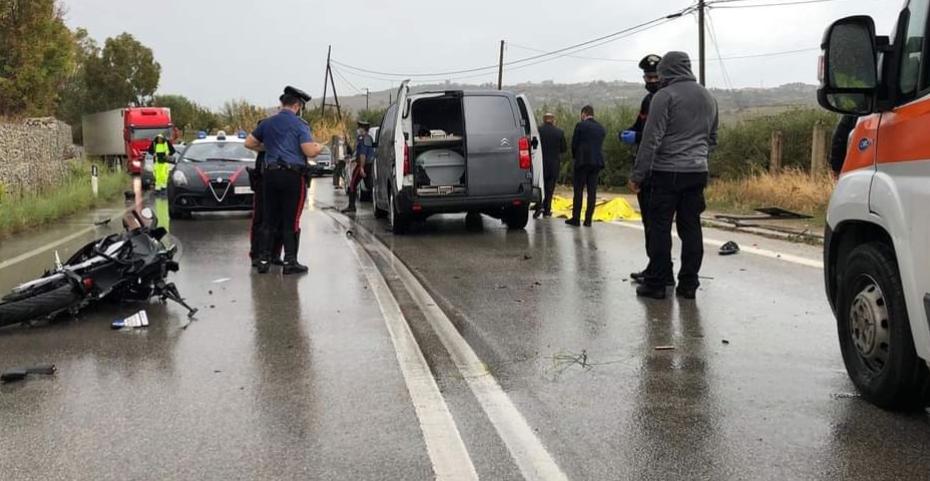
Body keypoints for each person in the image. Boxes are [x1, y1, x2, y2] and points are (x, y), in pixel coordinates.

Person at [629, 51, 718, 300]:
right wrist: (696, 157)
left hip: (666, 172)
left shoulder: (664, 96)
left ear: (667, 70)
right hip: (697, 172)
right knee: (691, 228)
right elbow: (712, 139)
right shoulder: (709, 97)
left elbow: (651, 139)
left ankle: (657, 283)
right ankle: (689, 284)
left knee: (659, 228)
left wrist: (638, 174)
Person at [244, 85, 322, 275]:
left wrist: (268, 148)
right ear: (297, 106)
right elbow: (309, 151)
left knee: (269, 219)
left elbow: (249, 143)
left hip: (270, 176)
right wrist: (318, 147)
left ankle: (263, 259)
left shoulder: (268, 123)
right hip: (291, 176)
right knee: (291, 220)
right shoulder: (299, 125)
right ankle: (290, 261)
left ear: (282, 103)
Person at [620, 54, 671, 285]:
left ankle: (659, 272)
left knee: (655, 224)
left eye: (653, 76)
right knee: (650, 224)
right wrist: (627, 133)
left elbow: (659, 135)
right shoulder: (647, 101)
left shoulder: (662, 99)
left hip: (655, 168)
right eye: (646, 76)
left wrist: (637, 137)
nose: (649, 80)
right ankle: (658, 268)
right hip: (648, 165)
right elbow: (641, 125)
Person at [246, 119, 283, 267]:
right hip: (262, 182)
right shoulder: (263, 147)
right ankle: (256, 253)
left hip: (277, 181)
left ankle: (275, 254)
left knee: (279, 219)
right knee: (260, 219)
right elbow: (250, 143)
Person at [566, 105, 606, 227]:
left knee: (578, 191)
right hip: (596, 163)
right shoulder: (601, 128)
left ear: (584, 113)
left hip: (582, 162)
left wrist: (576, 156)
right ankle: (588, 220)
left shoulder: (580, 126)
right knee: (592, 191)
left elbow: (574, 144)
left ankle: (576, 218)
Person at [535, 113, 567, 218]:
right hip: (554, 164)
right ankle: (547, 209)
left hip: (541, 163)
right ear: (553, 120)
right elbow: (564, 149)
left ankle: (539, 206)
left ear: (544, 120)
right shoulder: (559, 132)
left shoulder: (538, 131)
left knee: (541, 186)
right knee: (550, 187)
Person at [342, 120, 374, 214]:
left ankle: (351, 206)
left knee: (352, 184)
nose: (358, 129)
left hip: (363, 164)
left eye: (359, 127)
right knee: (369, 185)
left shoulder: (363, 139)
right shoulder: (369, 138)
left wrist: (361, 168)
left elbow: (363, 155)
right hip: (369, 164)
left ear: (363, 129)